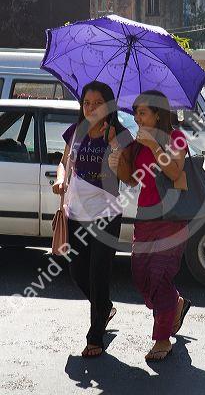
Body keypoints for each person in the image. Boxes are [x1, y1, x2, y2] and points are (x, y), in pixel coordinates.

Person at [109, 90, 191, 361]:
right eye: (135, 112)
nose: (137, 117)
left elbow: (175, 172)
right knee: (140, 274)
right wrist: (118, 158)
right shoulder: (138, 143)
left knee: (160, 275)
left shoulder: (177, 138)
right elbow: (131, 180)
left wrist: (155, 146)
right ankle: (175, 304)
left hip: (173, 218)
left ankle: (162, 339)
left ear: (158, 114)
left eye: (142, 112)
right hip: (145, 216)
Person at [53, 81, 132, 358]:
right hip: (76, 213)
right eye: (87, 103)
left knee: (99, 274)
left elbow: (129, 178)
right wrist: (61, 180)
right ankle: (105, 307)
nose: (91, 108)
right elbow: (64, 163)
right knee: (77, 273)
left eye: (97, 103)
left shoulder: (120, 135)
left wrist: (114, 147)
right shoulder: (75, 131)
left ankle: (95, 336)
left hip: (106, 215)